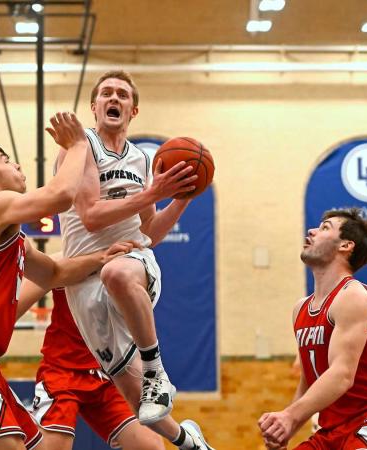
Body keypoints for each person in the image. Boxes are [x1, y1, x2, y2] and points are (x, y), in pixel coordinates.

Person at [0, 111, 137, 450]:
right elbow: (61, 196)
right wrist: (79, 144)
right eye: (7, 161)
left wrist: (101, 256)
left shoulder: (14, 240)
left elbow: (53, 274)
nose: (18, 166)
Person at [56, 70, 213, 450]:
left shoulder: (143, 158)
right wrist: (155, 192)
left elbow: (150, 234)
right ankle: (189, 441)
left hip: (127, 263)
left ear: (133, 110)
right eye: (106, 93)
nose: (114, 98)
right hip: (83, 279)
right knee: (141, 405)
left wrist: (182, 197)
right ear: (94, 106)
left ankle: (155, 370)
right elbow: (91, 215)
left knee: (118, 272)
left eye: (122, 95)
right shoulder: (79, 147)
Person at [258, 208, 367, 450]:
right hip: (330, 432)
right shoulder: (300, 309)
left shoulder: (353, 296)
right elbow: (309, 379)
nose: (311, 231)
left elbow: (341, 375)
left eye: (325, 228)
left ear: (346, 245)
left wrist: (291, 416)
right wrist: (286, 428)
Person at [16, 275, 164, 450]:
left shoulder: (124, 266)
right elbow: (11, 309)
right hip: (62, 372)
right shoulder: (61, 262)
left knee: (151, 445)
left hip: (105, 373)